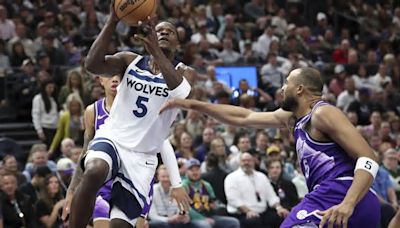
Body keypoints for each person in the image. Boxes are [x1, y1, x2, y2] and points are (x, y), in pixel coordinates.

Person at [161, 67, 380, 227]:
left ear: (300, 89)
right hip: (345, 200)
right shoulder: (293, 117)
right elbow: (244, 117)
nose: (282, 88)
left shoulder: (322, 113)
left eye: (287, 83)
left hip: (342, 193)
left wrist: (349, 203)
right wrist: (191, 104)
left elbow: (369, 158)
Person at [68, 3, 196, 226]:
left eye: (170, 31)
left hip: (142, 157)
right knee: (94, 171)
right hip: (113, 139)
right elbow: (92, 65)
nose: (164, 32)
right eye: (159, 30)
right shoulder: (130, 61)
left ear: (178, 43)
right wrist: (113, 21)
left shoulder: (185, 72)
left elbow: (181, 93)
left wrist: (155, 49)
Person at [65, 74, 189, 228]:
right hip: (105, 183)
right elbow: (86, 151)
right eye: (109, 75)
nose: (115, 79)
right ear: (100, 80)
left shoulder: (142, 108)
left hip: (135, 177)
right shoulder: (93, 111)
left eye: (119, 75)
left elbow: (163, 142)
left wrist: (176, 183)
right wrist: (72, 190)